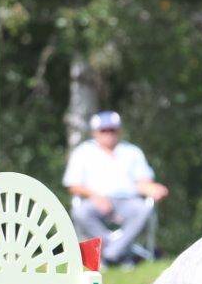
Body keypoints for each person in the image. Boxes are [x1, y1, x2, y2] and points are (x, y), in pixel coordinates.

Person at [63, 111, 169, 266]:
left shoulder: (132, 152)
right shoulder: (83, 152)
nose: (108, 134)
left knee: (144, 209)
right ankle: (119, 252)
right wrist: (95, 196)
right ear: (95, 132)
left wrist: (154, 189)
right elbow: (73, 185)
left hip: (128, 200)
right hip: (95, 201)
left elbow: (143, 182)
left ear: (119, 131)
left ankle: (109, 254)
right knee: (80, 212)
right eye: (104, 130)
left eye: (112, 130)